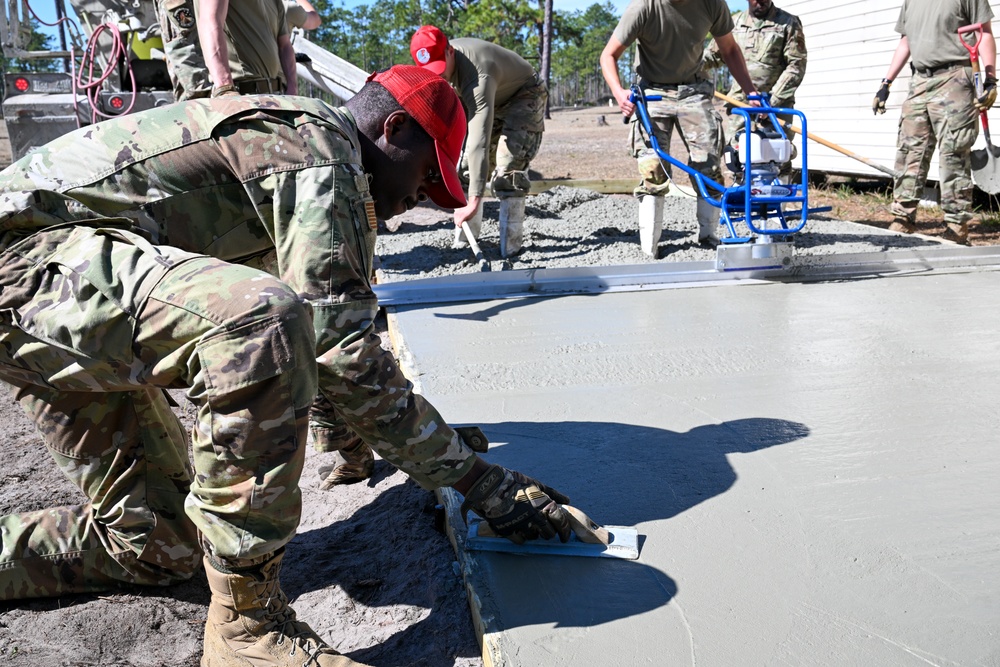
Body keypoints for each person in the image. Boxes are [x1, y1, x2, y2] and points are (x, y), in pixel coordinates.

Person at [0, 65, 574, 666]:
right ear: (394, 128)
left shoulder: (293, 166)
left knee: (158, 546)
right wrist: (478, 480)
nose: (412, 204)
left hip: (60, 298)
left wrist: (354, 434)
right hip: (31, 263)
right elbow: (336, 349)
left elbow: (327, 329)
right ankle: (247, 629)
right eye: (426, 177)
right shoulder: (320, 148)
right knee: (256, 322)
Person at [600, 0, 761, 256]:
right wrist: (619, 94)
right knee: (652, 168)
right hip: (652, 90)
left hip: (693, 91)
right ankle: (648, 248)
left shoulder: (712, 4)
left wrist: (750, 91)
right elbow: (608, 55)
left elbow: (729, 49)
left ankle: (709, 237)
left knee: (708, 166)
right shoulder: (644, 7)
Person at [410, 25, 547, 258]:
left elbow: (478, 142)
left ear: (450, 52)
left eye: (440, 69)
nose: (439, 76)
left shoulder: (478, 75)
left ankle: (511, 248)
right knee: (464, 171)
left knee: (508, 169)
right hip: (490, 98)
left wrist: (474, 200)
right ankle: (464, 243)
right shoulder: (441, 66)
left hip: (523, 95)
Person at [873, 0, 996, 245]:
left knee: (954, 150)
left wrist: (991, 79)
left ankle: (956, 225)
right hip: (919, 80)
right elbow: (906, 41)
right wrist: (886, 83)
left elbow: (984, 33)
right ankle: (903, 217)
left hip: (955, 77)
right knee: (910, 150)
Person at [703, 0, 807, 159]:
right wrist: (686, 63)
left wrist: (773, 100)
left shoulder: (788, 23)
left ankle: (780, 183)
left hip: (775, 108)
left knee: (779, 154)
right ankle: (740, 183)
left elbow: (796, 65)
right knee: (737, 156)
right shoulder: (733, 24)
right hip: (740, 105)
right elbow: (711, 56)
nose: (761, 1)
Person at [156, 0, 297, 100]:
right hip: (240, 96)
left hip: (275, 95)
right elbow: (210, 21)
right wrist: (226, 90)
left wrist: (293, 88)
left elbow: (284, 45)